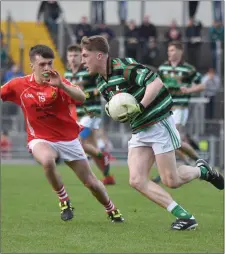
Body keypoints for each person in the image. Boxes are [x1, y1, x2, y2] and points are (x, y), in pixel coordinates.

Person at [80, 35, 224, 230]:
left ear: (99, 56)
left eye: (85, 55)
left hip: (158, 122)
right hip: (139, 129)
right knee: (136, 180)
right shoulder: (101, 81)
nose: (82, 60)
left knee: (170, 181)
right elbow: (118, 104)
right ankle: (185, 217)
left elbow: (156, 83)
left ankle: (202, 171)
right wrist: (114, 112)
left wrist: (140, 105)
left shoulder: (124, 68)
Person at [0, 44, 124, 222]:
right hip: (39, 138)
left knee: (91, 183)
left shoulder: (58, 82)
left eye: (50, 63)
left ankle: (111, 209)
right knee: (47, 161)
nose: (47, 68)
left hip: (68, 139)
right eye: (42, 64)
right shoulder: (19, 85)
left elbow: (81, 97)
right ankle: (64, 200)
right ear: (32, 66)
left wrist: (62, 86)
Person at [152, 41, 205, 183]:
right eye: (169, 50)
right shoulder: (163, 68)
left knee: (169, 138)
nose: (170, 53)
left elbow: (201, 85)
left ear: (181, 52)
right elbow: (156, 84)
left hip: (180, 108)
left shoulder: (188, 69)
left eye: (173, 50)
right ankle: (192, 162)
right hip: (164, 108)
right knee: (174, 141)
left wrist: (189, 90)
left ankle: (187, 163)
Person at [64, 44, 115, 185]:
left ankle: (101, 157)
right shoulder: (67, 74)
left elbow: (101, 86)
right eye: (70, 55)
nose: (73, 58)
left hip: (91, 113)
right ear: (67, 58)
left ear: (81, 57)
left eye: (76, 55)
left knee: (77, 141)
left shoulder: (89, 71)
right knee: (92, 147)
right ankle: (108, 176)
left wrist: (84, 94)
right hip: (78, 114)